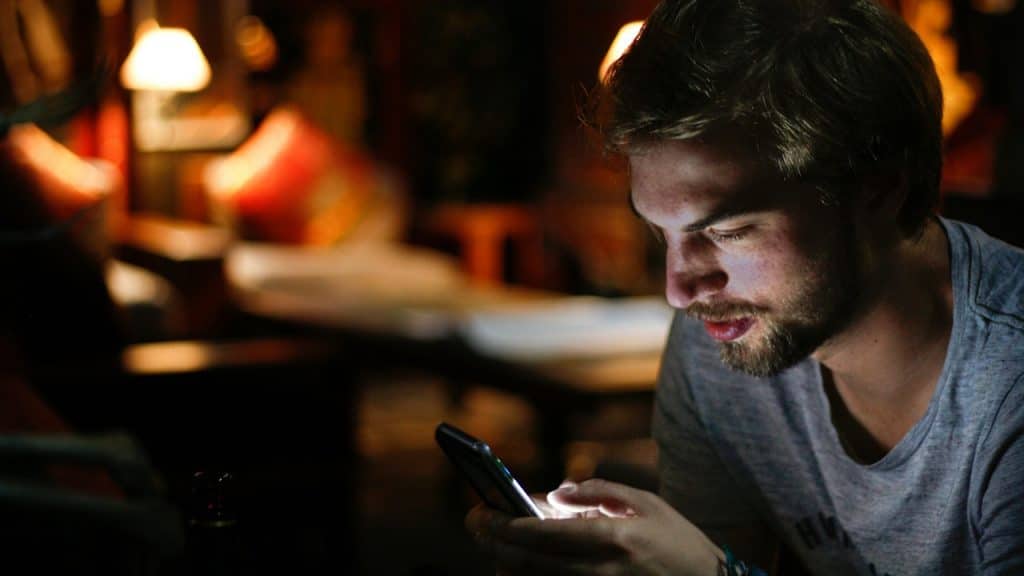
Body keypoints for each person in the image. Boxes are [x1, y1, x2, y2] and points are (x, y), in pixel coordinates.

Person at [466, 0, 1024, 574]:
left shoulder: (1008, 380)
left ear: (878, 193)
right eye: (663, 233)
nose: (680, 291)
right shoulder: (719, 343)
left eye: (728, 231)